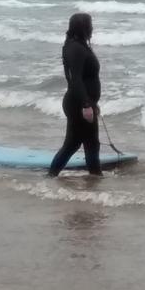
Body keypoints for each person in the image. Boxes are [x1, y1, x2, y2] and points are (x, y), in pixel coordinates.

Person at [49, 13, 102, 177]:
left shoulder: (78, 45)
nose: (92, 28)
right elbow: (76, 79)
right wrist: (86, 104)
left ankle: (95, 177)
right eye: (90, 25)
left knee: (90, 143)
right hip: (78, 104)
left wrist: (92, 102)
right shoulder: (76, 49)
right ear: (84, 27)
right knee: (73, 144)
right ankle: (51, 176)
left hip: (81, 101)